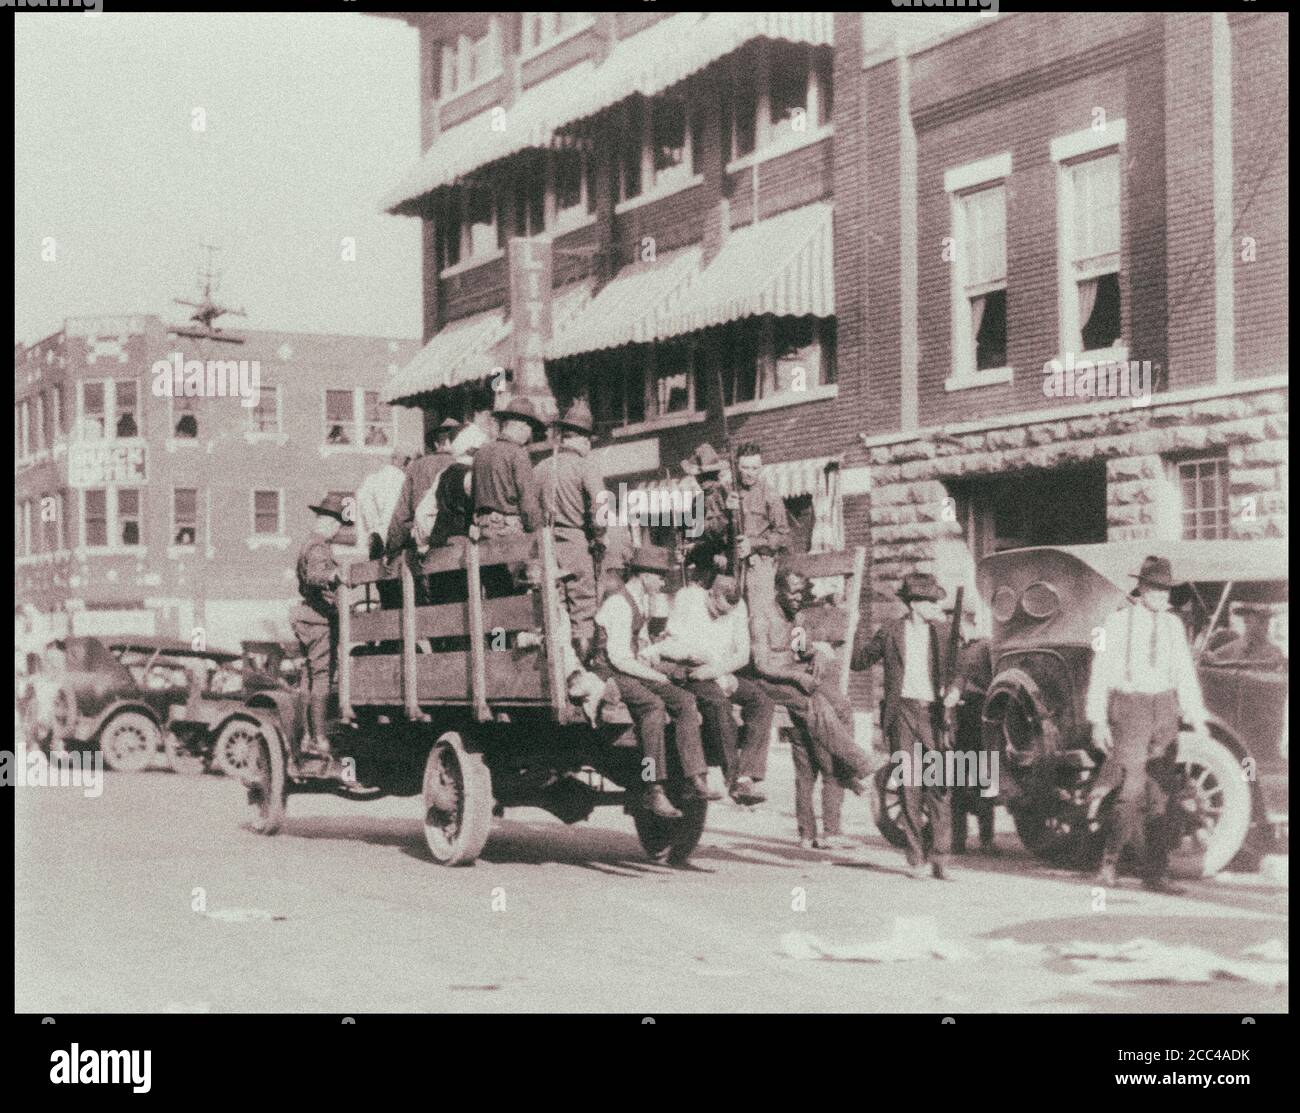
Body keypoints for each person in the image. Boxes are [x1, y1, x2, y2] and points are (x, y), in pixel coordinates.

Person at [1084, 555, 1210, 895]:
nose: (1161, 597)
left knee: (1161, 796)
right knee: (1130, 791)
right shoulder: (1116, 623)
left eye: (1166, 591)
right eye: (1155, 590)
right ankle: (1109, 861)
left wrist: (1196, 715)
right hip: (1130, 708)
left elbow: (1184, 673)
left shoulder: (1172, 626)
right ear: (1140, 588)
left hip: (1164, 710)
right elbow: (1100, 674)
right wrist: (1097, 720)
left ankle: (1155, 873)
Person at [591, 545, 722, 819]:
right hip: (610, 671)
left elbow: (637, 647)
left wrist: (653, 658)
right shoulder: (618, 603)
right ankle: (653, 787)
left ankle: (694, 777)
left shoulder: (641, 600)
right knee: (652, 707)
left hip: (631, 666)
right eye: (659, 576)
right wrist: (656, 675)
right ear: (643, 575)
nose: (662, 583)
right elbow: (618, 658)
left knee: (685, 700)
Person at [750, 568, 875, 849]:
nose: (796, 599)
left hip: (795, 678)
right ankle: (855, 763)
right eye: (791, 593)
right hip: (771, 682)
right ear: (778, 590)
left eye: (800, 594)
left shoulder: (796, 617)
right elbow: (762, 665)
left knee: (841, 705)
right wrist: (796, 675)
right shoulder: (761, 618)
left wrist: (815, 653)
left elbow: (800, 649)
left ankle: (848, 767)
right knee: (809, 755)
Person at [850, 572, 961, 879]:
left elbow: (958, 669)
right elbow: (859, 660)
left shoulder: (942, 632)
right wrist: (851, 627)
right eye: (930, 602)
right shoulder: (890, 632)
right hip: (902, 714)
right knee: (910, 786)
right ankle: (916, 857)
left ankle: (941, 858)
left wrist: (954, 690)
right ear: (914, 604)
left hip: (933, 715)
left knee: (939, 786)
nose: (935, 607)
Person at [654, 573, 774, 805]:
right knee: (719, 703)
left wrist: (718, 671)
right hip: (691, 669)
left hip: (719, 671)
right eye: (718, 611)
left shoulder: (737, 608)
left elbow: (741, 654)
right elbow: (676, 642)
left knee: (762, 700)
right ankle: (733, 780)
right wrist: (709, 668)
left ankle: (748, 775)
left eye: (727, 612)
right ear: (711, 593)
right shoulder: (688, 598)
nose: (722, 616)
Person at [535, 399, 605, 656]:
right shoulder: (586, 466)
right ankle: (584, 671)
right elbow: (601, 507)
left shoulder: (541, 467)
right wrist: (599, 537)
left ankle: (558, 670)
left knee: (555, 611)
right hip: (576, 543)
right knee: (583, 611)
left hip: (546, 546)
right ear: (583, 440)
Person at [291, 493, 348, 757]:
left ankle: (304, 737)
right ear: (327, 522)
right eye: (337, 524)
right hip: (318, 619)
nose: (337, 531)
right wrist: (334, 575)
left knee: (309, 677)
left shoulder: (310, 543)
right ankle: (319, 739)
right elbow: (315, 576)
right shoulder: (318, 547)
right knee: (322, 676)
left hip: (308, 618)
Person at [947, 601, 997, 855]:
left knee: (984, 777)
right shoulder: (954, 649)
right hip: (959, 715)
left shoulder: (986, 646)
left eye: (958, 622)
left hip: (981, 714)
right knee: (957, 780)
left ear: (970, 621)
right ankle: (958, 839)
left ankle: (987, 839)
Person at [384, 417, 461, 560]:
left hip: (425, 546)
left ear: (436, 443)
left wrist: (391, 551)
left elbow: (401, 516)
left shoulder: (417, 466)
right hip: (460, 548)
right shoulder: (465, 465)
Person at [471, 396, 545, 539]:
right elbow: (528, 502)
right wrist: (537, 531)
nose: (529, 435)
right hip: (509, 530)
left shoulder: (480, 453)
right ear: (524, 426)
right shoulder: (518, 454)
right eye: (530, 429)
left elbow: (474, 496)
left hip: (483, 529)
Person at [733, 442, 790, 624]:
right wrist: (727, 511)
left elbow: (783, 534)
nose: (750, 472)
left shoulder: (770, 494)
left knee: (758, 617)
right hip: (731, 564)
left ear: (761, 468)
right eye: (745, 467)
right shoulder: (728, 490)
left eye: (755, 468)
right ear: (736, 466)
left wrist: (753, 543)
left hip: (759, 563)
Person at [680, 443, 733, 580]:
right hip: (705, 564)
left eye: (708, 476)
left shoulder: (726, 495)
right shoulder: (697, 501)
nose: (703, 481)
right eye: (700, 477)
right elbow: (690, 534)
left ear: (716, 474)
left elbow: (726, 528)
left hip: (727, 562)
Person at [356, 448, 410, 561]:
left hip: (375, 540)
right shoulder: (403, 480)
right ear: (405, 462)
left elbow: (364, 510)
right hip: (396, 540)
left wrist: (374, 529)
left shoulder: (371, 480)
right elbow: (398, 513)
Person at [1206, 604, 1285, 668]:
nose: (1266, 625)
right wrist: (1209, 657)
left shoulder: (1274, 652)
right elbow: (1211, 658)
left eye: (1266, 620)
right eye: (1261, 620)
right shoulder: (1230, 648)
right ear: (1246, 621)